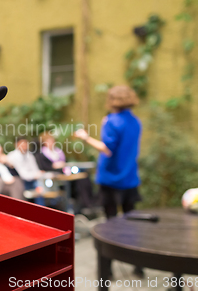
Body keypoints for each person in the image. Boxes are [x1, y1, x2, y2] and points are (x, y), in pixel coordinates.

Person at [74, 85, 142, 277]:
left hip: (111, 179)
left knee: (110, 225)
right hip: (130, 178)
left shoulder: (112, 121)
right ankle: (139, 266)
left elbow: (107, 148)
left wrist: (85, 137)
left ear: (112, 100)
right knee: (133, 222)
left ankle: (107, 271)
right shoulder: (136, 122)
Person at [7, 137, 45, 205]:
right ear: (17, 144)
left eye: (26, 144)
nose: (24, 146)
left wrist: (38, 174)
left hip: (33, 181)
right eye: (22, 144)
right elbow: (23, 175)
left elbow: (35, 169)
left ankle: (42, 209)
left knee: (41, 187)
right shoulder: (12, 156)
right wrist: (35, 175)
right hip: (21, 182)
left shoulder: (29, 155)